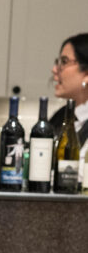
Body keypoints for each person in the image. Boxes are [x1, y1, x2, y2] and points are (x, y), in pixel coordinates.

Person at [50, 32, 88, 162]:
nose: (55, 69)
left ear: (86, 74)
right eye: (58, 62)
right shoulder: (59, 116)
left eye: (64, 61)